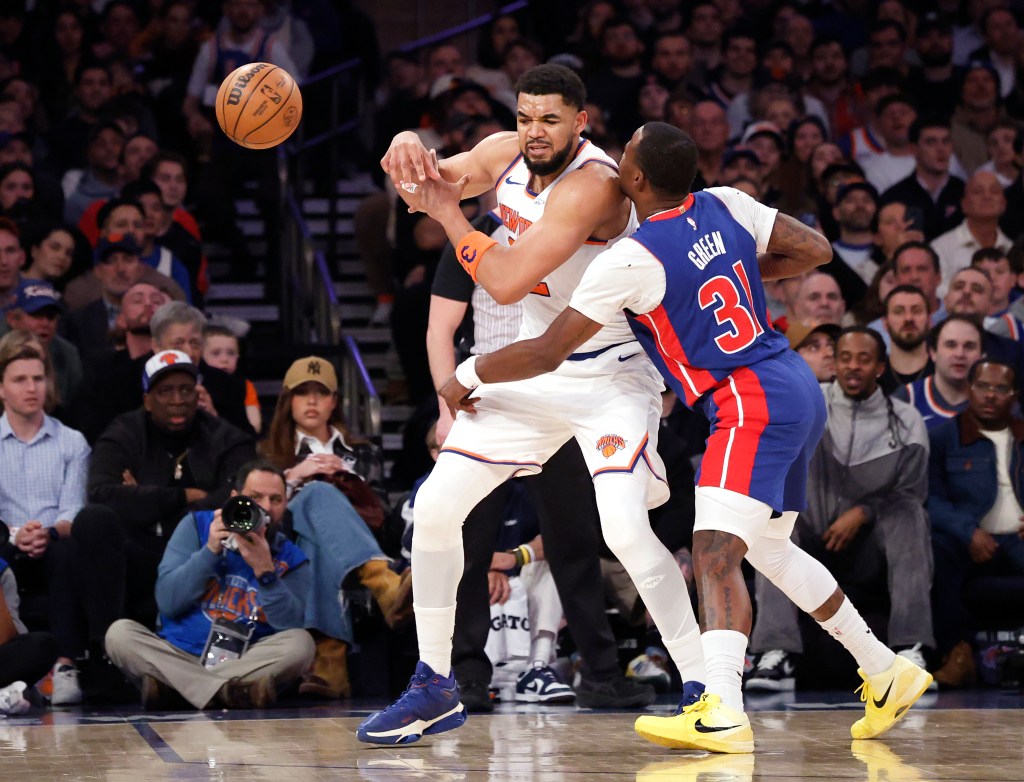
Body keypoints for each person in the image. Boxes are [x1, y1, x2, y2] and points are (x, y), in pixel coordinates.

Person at [430, 122, 932, 753]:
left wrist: (467, 373)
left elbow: (549, 349)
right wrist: (734, 266)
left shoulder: (632, 257)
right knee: (769, 549)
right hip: (793, 382)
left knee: (715, 554)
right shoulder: (728, 202)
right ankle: (886, 669)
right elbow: (818, 250)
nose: (615, 165)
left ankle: (720, 708)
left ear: (634, 180)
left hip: (747, 400)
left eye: (626, 157)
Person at [358, 66, 702, 745]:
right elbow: (430, 181)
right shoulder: (507, 151)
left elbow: (509, 281)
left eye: (549, 119)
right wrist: (406, 147)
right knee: (434, 510)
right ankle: (433, 684)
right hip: (534, 374)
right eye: (524, 117)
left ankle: (706, 686)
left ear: (581, 120)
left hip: (609, 376)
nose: (533, 131)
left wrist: (444, 210)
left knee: (625, 530)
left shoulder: (595, 185)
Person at [426, 209, 655, 711]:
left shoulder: (574, 227)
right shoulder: (476, 233)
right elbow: (440, 328)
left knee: (574, 543)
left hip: (559, 396)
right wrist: (447, 411)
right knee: (468, 544)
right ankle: (465, 674)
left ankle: (600, 672)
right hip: (487, 400)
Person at [746, 328, 933, 692]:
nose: (852, 367)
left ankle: (909, 649)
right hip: (810, 536)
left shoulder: (906, 420)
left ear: (880, 366)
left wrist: (864, 511)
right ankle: (776, 655)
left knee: (910, 515)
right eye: (845, 357)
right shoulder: (809, 402)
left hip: (870, 549)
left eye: (864, 359)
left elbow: (912, 492)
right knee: (771, 523)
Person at [72, 350, 256, 679]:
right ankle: (104, 655)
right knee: (93, 521)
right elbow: (100, 493)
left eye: (186, 390)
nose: (177, 400)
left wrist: (141, 496)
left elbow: (236, 496)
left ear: (198, 394)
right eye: (165, 391)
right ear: (147, 399)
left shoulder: (225, 437)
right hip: (140, 551)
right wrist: (182, 495)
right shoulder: (124, 431)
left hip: (202, 553)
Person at [104, 459, 315, 709]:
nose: (265, 508)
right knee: (119, 634)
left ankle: (177, 690)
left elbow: (290, 625)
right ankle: (229, 693)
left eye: (276, 499)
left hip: (244, 660)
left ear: (285, 504)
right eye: (255, 497)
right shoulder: (196, 526)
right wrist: (210, 551)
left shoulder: (291, 557)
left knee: (302, 644)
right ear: (235, 498)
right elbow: (168, 601)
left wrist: (265, 571)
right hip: (178, 655)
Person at [0, 333, 88, 705]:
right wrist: (17, 535)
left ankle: (66, 665)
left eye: (38, 378)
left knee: (71, 548)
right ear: (2, 388)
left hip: (55, 543)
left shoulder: (72, 442)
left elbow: (74, 509)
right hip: (5, 545)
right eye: (20, 380)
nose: (31, 388)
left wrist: (45, 533)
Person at [927, 359, 1024, 688]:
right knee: (937, 548)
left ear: (1014, 395)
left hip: (1018, 537)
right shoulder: (943, 438)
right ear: (969, 389)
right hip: (966, 539)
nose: (991, 395)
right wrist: (967, 531)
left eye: (1001, 388)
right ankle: (959, 655)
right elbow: (932, 499)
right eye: (983, 386)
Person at [901, 316, 984, 429]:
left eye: (969, 346)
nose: (960, 354)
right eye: (951, 345)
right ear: (933, 352)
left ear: (982, 356)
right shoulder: (906, 400)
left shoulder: (997, 403)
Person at [203, 325, 261, 434]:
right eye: (216, 353)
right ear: (202, 356)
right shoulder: (200, 384)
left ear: (238, 356)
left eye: (231, 353)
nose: (224, 359)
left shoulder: (246, 386)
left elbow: (255, 426)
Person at [877, 285, 933, 393]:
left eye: (916, 311)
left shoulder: (943, 374)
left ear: (929, 320)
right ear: (885, 322)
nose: (908, 318)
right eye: (898, 312)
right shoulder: (874, 377)